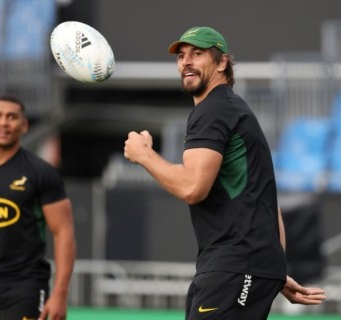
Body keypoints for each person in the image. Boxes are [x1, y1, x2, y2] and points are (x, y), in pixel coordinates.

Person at [124, 26, 326, 319]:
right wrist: (275, 268)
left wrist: (144, 155)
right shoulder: (233, 109)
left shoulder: (214, 110)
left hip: (234, 267)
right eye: (181, 56)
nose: (186, 62)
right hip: (243, 266)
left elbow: (193, 187)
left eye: (197, 53)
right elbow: (268, 202)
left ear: (222, 63)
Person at [0, 95, 76, 320]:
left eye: (12, 117)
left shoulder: (42, 173)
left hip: (26, 286)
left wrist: (60, 294)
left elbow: (64, 233)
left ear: (24, 125)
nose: (3, 123)